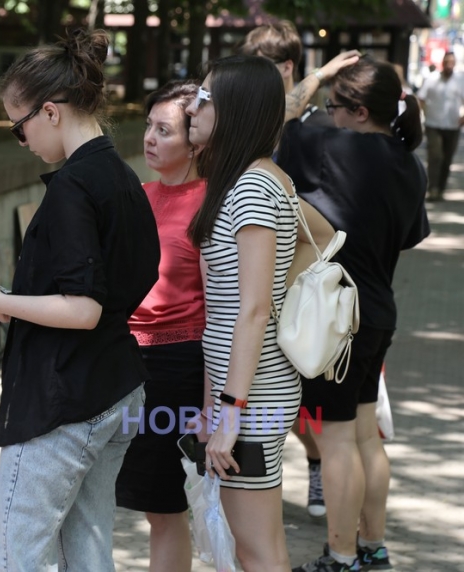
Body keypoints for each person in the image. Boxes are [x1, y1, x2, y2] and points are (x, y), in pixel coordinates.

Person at [0, 29, 159, 571]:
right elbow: (125, 284)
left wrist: (1, 296)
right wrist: (8, 303)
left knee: (14, 556)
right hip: (114, 385)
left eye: (18, 127)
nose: (19, 141)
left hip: (66, 400)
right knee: (87, 548)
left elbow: (83, 308)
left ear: (49, 112)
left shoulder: (75, 186)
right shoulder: (119, 175)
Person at [184, 54, 338, 571]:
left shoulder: (251, 185)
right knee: (261, 543)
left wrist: (228, 414)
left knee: (256, 549)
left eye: (204, 98)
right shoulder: (265, 178)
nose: (193, 107)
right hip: (254, 392)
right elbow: (320, 238)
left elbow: (251, 310)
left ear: (235, 108)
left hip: (252, 399)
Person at [279, 57, 430, 572]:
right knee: (366, 434)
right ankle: (372, 547)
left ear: (359, 110)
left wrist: (316, 76)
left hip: (333, 317)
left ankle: (341, 557)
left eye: (335, 106)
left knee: (336, 437)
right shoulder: (411, 163)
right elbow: (409, 238)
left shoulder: (325, 146)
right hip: (379, 312)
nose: (328, 113)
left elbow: (269, 118)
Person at [238, 23, 346, 519]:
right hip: (257, 285)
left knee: (305, 392)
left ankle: (317, 466)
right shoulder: (258, 127)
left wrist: (287, 277)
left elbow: (321, 232)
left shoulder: (301, 127)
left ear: (283, 70)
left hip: (294, 294)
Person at [113, 81, 206, 572]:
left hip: (177, 369)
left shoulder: (215, 203)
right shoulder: (139, 194)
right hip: (122, 361)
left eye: (163, 130)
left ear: (196, 141)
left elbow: (233, 311)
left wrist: (218, 403)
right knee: (148, 506)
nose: (149, 137)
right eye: (149, 125)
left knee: (166, 506)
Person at [417, 51, 464, 201]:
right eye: (447, 62)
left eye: (452, 62)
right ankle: (433, 188)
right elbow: (421, 98)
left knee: (447, 158)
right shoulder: (432, 79)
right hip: (433, 124)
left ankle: (441, 187)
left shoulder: (460, 80)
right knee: (435, 155)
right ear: (442, 63)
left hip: (453, 125)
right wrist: (421, 114)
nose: (449, 65)